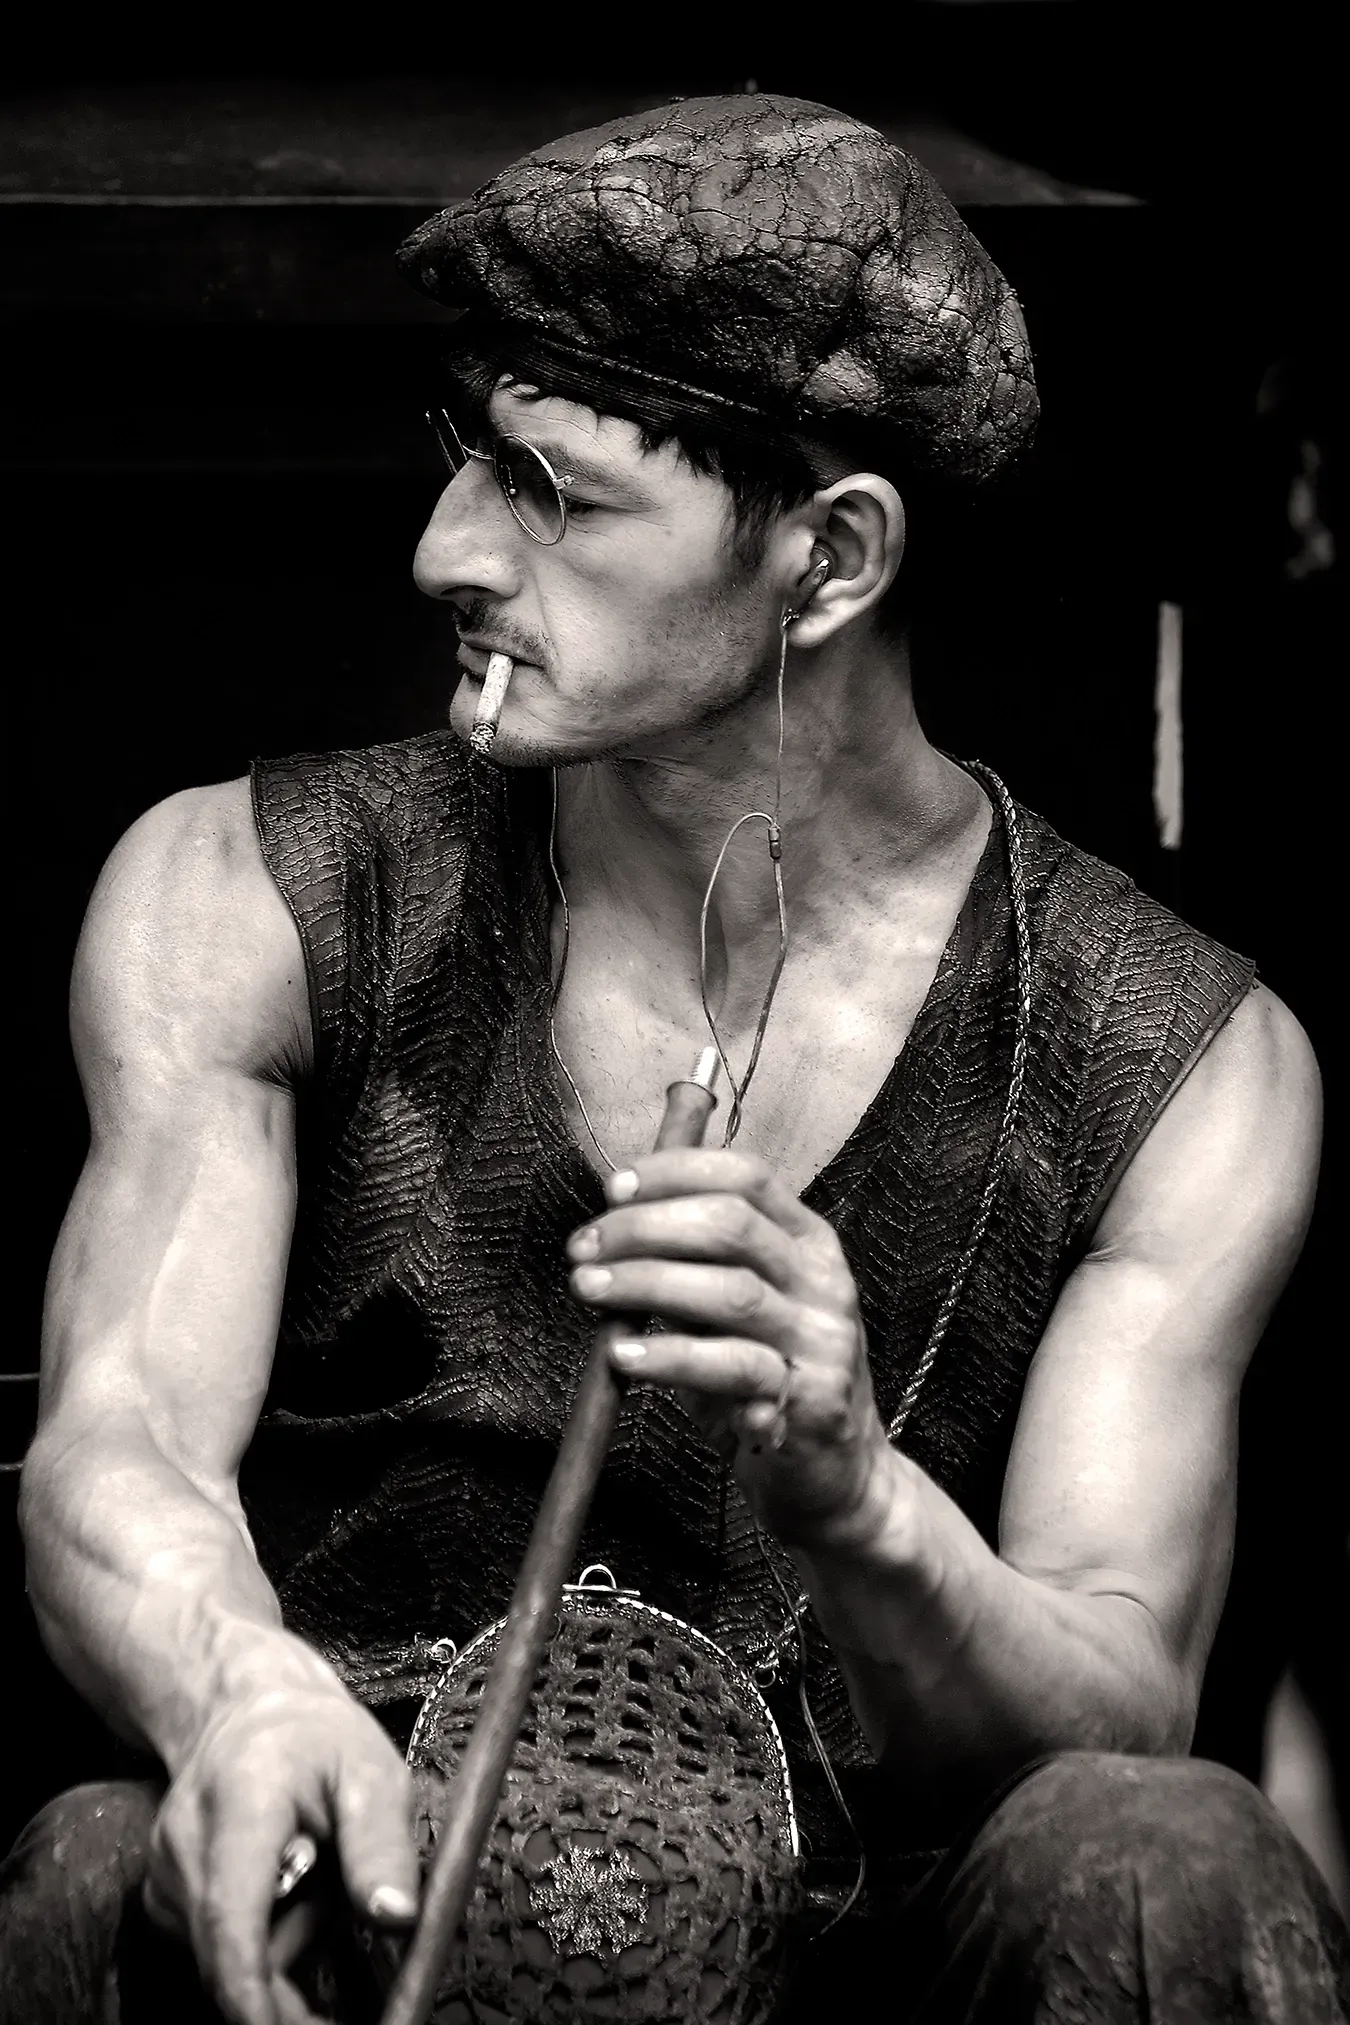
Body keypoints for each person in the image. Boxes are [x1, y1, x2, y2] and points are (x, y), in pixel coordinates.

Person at [3, 93, 1346, 2025]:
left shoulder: (1186, 1065)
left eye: (554, 493)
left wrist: (853, 1493)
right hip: (349, 1898)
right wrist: (245, 1687)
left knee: (1162, 1856)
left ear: (827, 560)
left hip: (851, 1955)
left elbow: (1120, 1702)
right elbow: (113, 1452)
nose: (443, 548)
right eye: (465, 457)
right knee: (90, 1863)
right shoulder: (241, 892)